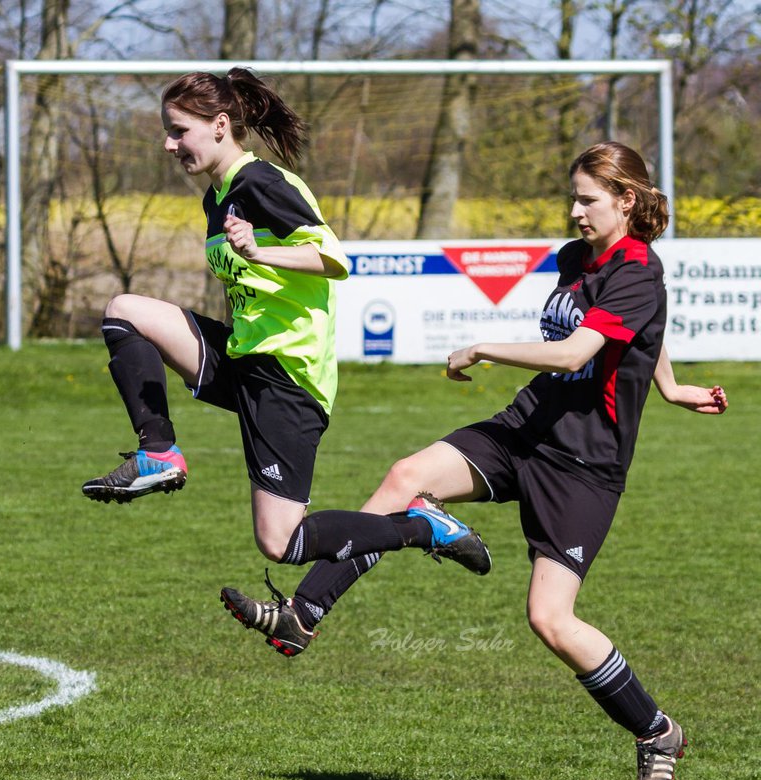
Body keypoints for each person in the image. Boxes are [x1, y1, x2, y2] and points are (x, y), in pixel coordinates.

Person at [220, 140, 729, 780]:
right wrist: (669, 386)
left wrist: (487, 346)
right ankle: (302, 615)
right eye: (573, 197)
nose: (574, 211)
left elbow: (584, 345)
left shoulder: (639, 269)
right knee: (406, 475)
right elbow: (637, 332)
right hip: (524, 429)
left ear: (626, 200)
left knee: (549, 619)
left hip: (583, 467)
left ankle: (657, 732)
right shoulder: (580, 258)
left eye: (587, 199)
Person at [83, 66, 491, 607]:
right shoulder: (218, 196)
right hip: (243, 357)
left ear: (220, 125)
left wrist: (259, 252)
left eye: (179, 130)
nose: (169, 143)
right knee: (124, 311)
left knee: (281, 541)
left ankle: (419, 525)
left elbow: (333, 259)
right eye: (168, 130)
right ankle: (158, 453)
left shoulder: (263, 183)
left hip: (287, 379)